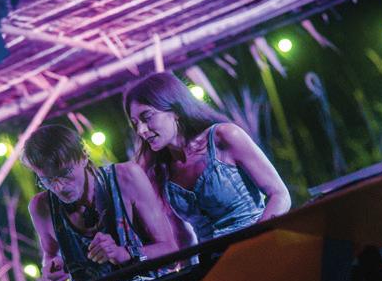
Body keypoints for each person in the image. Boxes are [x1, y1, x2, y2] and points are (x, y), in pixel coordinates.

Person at [123, 71, 291, 248]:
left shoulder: (224, 137)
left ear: (175, 111)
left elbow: (279, 195)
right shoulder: (159, 172)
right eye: (135, 123)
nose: (141, 130)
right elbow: (184, 238)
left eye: (147, 117)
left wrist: (260, 241)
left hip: (258, 249)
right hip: (213, 261)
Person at [23, 124, 177, 281]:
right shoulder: (41, 207)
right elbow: (50, 255)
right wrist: (52, 272)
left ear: (84, 156)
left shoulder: (126, 177)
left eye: (65, 173)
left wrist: (126, 253)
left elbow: (171, 251)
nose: (59, 187)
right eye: (47, 180)